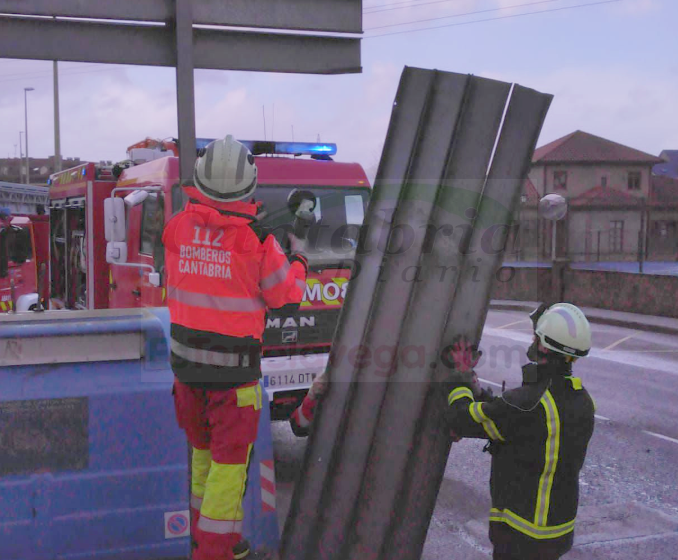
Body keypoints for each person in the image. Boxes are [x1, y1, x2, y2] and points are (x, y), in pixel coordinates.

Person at [162, 135, 308, 560]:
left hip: (187, 375)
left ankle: (202, 541)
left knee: (203, 461)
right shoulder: (257, 241)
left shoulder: (176, 229)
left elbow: (205, 256)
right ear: (250, 187)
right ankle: (216, 551)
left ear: (200, 181)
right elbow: (286, 295)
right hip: (233, 381)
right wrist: (298, 258)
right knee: (229, 469)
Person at [444, 303, 595, 560]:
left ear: (544, 346)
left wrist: (460, 377)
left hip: (523, 535)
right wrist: (480, 394)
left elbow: (461, 418)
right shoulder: (581, 400)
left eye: (536, 336)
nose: (532, 340)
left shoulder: (530, 403)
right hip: (557, 533)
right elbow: (519, 426)